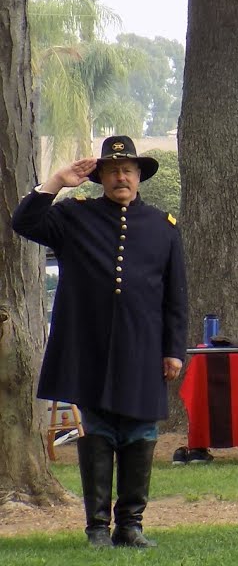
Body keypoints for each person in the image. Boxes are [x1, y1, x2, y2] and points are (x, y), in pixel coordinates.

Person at [12, 136, 188, 548]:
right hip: (90, 347)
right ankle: (96, 528)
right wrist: (57, 180)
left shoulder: (163, 228)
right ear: (101, 178)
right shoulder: (75, 217)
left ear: (139, 177)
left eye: (128, 171)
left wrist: (173, 349)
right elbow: (24, 222)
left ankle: (131, 526)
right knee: (99, 432)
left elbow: (175, 296)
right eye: (112, 171)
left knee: (141, 432)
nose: (121, 177)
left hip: (144, 349)